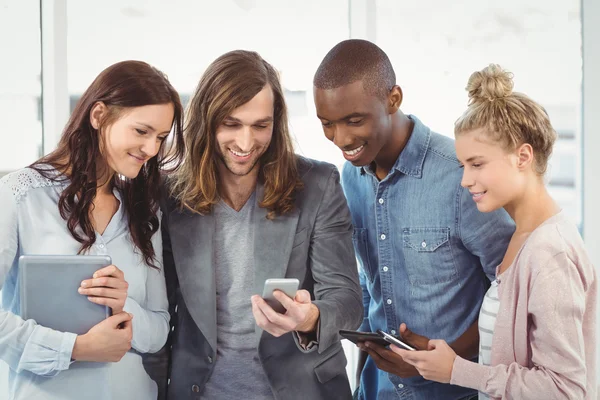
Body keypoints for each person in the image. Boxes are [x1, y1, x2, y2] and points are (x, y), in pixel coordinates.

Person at [144, 50, 363, 400]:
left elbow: (348, 302)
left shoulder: (318, 184)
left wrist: (309, 319)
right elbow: (159, 312)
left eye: (260, 126)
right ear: (207, 120)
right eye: (231, 125)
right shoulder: (170, 194)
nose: (246, 144)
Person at [312, 39, 515, 400]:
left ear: (393, 99)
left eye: (354, 120)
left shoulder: (460, 176)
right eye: (327, 124)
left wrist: (447, 355)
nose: (340, 139)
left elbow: (512, 295)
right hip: (376, 390)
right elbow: (370, 280)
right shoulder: (350, 176)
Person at [392, 64, 597, 400]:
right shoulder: (523, 237)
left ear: (523, 156)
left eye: (477, 163)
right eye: (463, 166)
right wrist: (442, 357)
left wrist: (457, 371)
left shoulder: (551, 253)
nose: (465, 180)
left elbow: (565, 390)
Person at [0, 60, 184, 399]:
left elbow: (159, 329)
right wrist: (75, 348)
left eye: (160, 137)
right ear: (98, 115)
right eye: (141, 131)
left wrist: (121, 304)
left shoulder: (143, 210)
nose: (152, 149)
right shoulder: (19, 195)